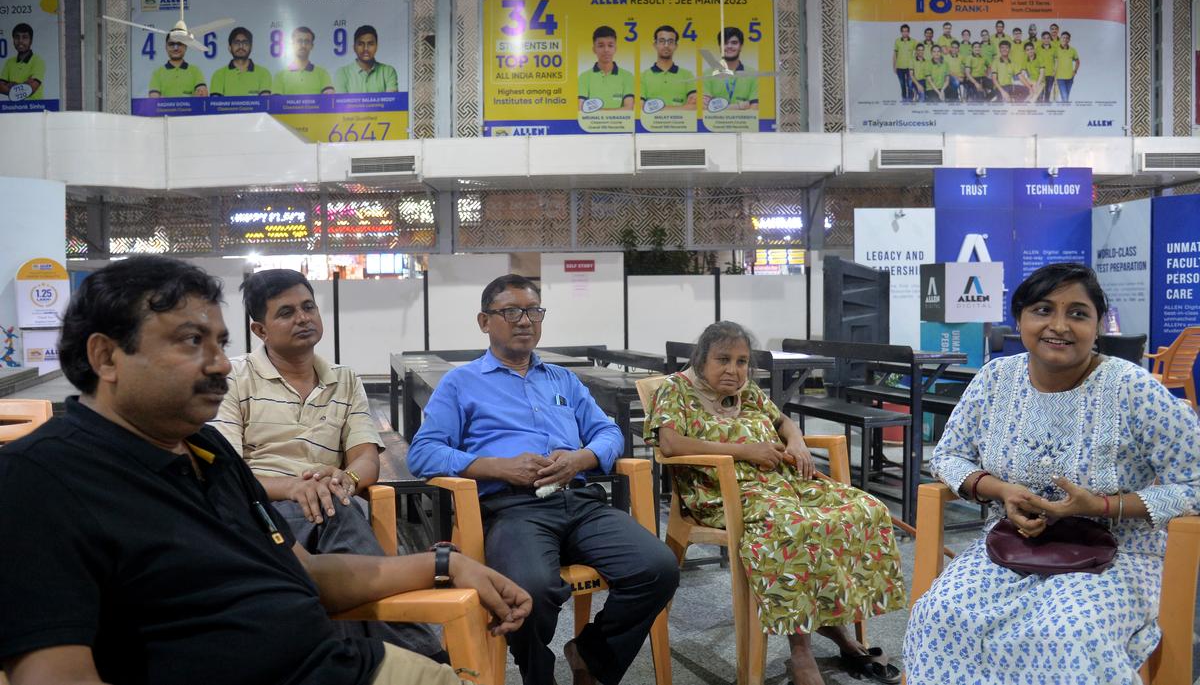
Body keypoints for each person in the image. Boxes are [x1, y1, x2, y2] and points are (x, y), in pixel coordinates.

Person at [0, 255, 531, 685]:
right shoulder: (40, 480)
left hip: (341, 663)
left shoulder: (207, 452)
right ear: (106, 357)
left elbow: (301, 572)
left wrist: (445, 564)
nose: (218, 363)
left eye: (220, 344)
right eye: (191, 341)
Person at [904, 263, 1200, 684]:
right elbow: (949, 455)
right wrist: (1000, 490)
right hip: (1009, 546)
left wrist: (1102, 505)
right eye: (1043, 310)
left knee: (1062, 633)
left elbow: (1195, 479)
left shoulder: (1134, 389)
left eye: (1078, 313)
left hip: (1116, 555)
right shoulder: (995, 379)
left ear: (1098, 326)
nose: (1058, 326)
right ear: (1019, 319)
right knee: (941, 616)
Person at [407, 274, 679, 685]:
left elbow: (609, 433)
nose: (524, 321)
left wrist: (580, 458)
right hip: (512, 509)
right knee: (531, 589)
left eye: (534, 311)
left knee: (658, 567)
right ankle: (538, 674)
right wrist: (495, 466)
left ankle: (590, 656)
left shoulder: (563, 380)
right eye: (511, 311)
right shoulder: (461, 384)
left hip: (580, 501)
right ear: (484, 321)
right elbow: (423, 453)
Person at [645, 322, 905, 685]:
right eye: (723, 360)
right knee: (793, 526)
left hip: (780, 484)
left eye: (741, 362)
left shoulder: (746, 391)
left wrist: (796, 439)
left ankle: (834, 624)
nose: (733, 370)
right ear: (701, 359)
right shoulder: (676, 390)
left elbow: (781, 421)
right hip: (722, 494)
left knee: (864, 509)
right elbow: (671, 445)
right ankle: (801, 651)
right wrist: (746, 451)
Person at [211, 269, 443, 661]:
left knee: (340, 508)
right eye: (286, 312)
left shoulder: (344, 379)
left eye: (308, 307)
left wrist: (346, 477)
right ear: (259, 329)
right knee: (342, 514)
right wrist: (294, 487)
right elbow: (227, 469)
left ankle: (354, 659)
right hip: (264, 513)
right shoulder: (235, 378)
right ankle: (423, 654)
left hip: (331, 507)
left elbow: (366, 457)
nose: (303, 318)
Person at [577, 25, 634, 111]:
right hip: (592, 124)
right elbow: (581, 109)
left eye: (610, 45)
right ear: (594, 49)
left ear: (615, 48)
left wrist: (598, 113)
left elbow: (629, 108)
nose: (606, 50)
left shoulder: (628, 76)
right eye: (601, 46)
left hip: (620, 124)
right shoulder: (583, 77)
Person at [640, 25, 696, 110]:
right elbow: (640, 108)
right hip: (651, 124)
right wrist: (682, 108)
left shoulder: (688, 75)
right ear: (655, 45)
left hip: (681, 123)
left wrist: (653, 109)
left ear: (676, 46)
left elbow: (694, 107)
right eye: (662, 41)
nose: (666, 45)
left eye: (670, 41)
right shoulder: (643, 76)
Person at [701, 27, 759, 110]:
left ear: (741, 46)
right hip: (715, 123)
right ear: (719, 47)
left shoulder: (753, 74)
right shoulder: (707, 74)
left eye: (734, 43)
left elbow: (754, 108)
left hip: (744, 123)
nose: (729, 46)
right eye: (725, 43)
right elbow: (706, 108)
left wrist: (717, 107)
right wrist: (740, 106)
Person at [334, 25, 399, 94]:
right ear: (354, 47)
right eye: (360, 44)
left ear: (376, 46)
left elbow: (391, 102)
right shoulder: (342, 73)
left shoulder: (388, 71)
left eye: (370, 44)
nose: (365, 49)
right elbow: (341, 103)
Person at [209, 26, 272, 97]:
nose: (241, 47)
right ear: (229, 48)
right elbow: (215, 105)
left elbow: (265, 105)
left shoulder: (263, 74)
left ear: (251, 47)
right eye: (236, 43)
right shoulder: (219, 75)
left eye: (245, 43)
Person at [273, 26, 335, 95]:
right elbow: (276, 103)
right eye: (299, 41)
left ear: (312, 46)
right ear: (292, 45)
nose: (303, 45)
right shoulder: (280, 76)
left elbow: (329, 101)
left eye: (307, 41)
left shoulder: (322, 74)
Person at [0, 22, 45, 100]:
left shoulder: (38, 61)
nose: (20, 41)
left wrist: (11, 86)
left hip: (35, 108)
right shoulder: (9, 62)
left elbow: (32, 88)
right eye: (17, 37)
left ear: (31, 41)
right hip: (14, 109)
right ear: (13, 40)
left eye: (25, 37)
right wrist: (24, 85)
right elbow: (0, 87)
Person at [891, 24, 916, 102]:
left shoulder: (913, 41)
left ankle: (910, 99)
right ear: (901, 32)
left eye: (906, 31)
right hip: (899, 67)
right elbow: (895, 55)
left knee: (909, 84)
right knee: (902, 84)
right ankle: (904, 99)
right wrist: (894, 66)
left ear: (909, 32)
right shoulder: (897, 41)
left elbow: (918, 52)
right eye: (903, 31)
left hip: (910, 67)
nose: (905, 33)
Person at [1055, 31, 1080, 101]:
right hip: (1060, 78)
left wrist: (1075, 71)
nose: (1065, 39)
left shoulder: (1072, 50)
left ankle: (1065, 110)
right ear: (1060, 38)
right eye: (1063, 37)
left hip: (1070, 77)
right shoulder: (1056, 50)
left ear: (1069, 40)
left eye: (1067, 38)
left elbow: (1078, 62)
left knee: (1066, 96)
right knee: (1065, 96)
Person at [1036, 31, 1058, 102]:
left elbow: (1056, 60)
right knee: (1040, 92)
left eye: (1048, 38)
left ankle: (1046, 106)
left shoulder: (1054, 48)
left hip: (1050, 74)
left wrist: (1054, 71)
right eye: (1044, 38)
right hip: (1041, 75)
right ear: (1042, 39)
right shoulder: (1038, 49)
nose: (1046, 40)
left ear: (1050, 39)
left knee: (1048, 93)